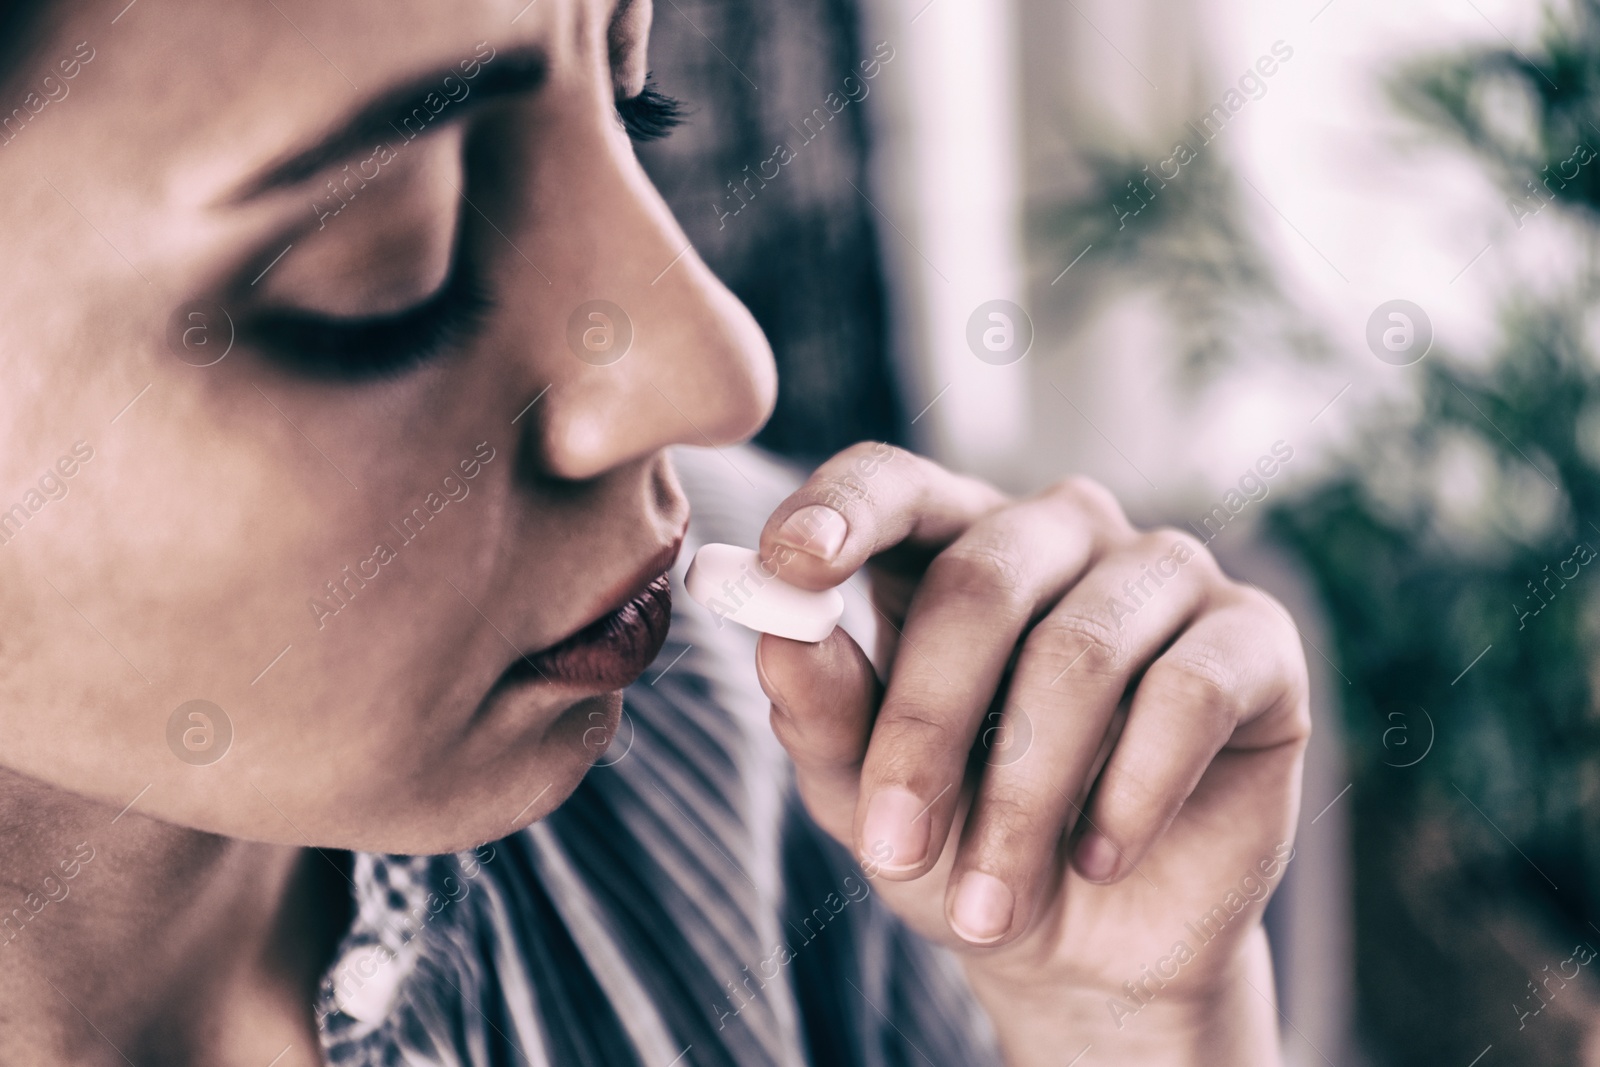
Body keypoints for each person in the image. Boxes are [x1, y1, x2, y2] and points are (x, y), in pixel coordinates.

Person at [0, 1, 1311, 1064]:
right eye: (384, 262)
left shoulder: (741, 734)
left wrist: (1124, 1030)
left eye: (637, 101)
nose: (717, 373)